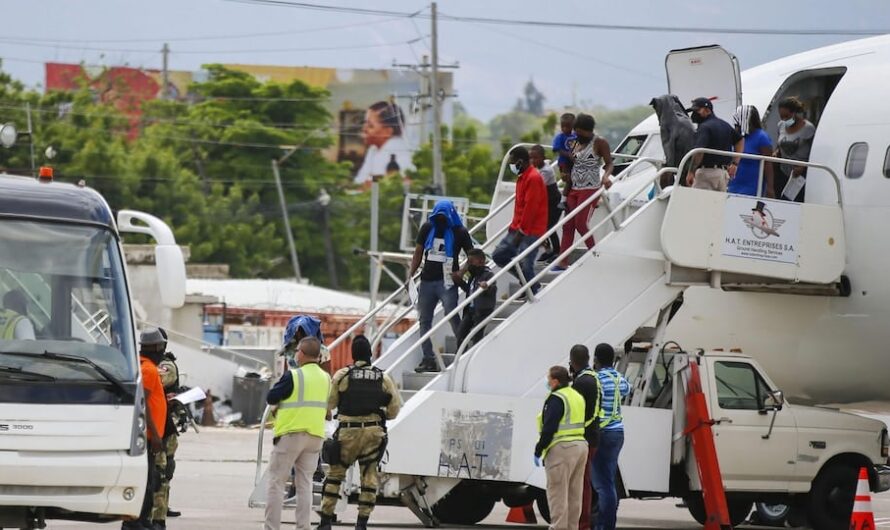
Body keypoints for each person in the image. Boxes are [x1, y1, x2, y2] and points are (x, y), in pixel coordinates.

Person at [317, 336, 401, 530]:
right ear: (370, 354)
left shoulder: (343, 375)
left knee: (335, 476)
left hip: (348, 433)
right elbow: (394, 409)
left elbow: (330, 404)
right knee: (369, 478)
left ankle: (325, 522)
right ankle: (361, 524)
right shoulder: (383, 377)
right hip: (373, 433)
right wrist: (380, 417)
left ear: (353, 355)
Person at [264, 336, 332, 530]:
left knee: (276, 483)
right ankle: (303, 527)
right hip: (315, 437)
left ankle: (271, 527)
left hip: (291, 434)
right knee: (305, 484)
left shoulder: (293, 375)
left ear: (301, 353)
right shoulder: (326, 378)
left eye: (297, 352)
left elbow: (272, 397)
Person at [410, 200, 474, 373]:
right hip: (427, 281)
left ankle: (463, 346)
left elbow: (473, 255)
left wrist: (461, 272)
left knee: (451, 313)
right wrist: (410, 275)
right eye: (437, 217)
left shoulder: (459, 231)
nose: (440, 221)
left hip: (447, 281)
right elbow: (418, 252)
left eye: (443, 217)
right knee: (424, 320)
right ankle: (428, 358)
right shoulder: (427, 228)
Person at [554, 114, 613, 271]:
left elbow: (609, 164)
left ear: (589, 131)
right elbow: (572, 162)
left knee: (581, 223)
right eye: (576, 131)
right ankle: (562, 261)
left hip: (590, 188)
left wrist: (606, 177)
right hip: (573, 187)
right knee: (568, 225)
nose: (577, 135)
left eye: (580, 132)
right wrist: (565, 173)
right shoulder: (575, 142)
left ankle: (595, 255)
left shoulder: (599, 142)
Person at [122, 328, 167, 530]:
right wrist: (156, 435)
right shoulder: (148, 369)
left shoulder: (139, 365)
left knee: (147, 479)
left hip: (145, 434)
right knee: (148, 481)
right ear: (157, 347)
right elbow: (144, 403)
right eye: (161, 347)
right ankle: (136, 522)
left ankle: (139, 521)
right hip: (149, 436)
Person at [534, 366, 588, 530]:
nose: (547, 381)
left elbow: (549, 427)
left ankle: (558, 528)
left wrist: (539, 449)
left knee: (557, 493)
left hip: (562, 448)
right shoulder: (576, 396)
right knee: (574, 495)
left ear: (555, 381)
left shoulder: (557, 398)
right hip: (580, 446)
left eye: (548, 378)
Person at [492, 145, 548, 294]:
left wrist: (521, 232)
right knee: (499, 255)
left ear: (520, 162)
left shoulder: (533, 178)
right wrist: (515, 228)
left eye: (513, 162)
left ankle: (533, 289)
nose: (512, 165)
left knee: (525, 264)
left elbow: (531, 208)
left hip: (530, 230)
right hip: (517, 227)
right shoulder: (522, 177)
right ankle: (527, 283)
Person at [591, 343, 630, 530]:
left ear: (596, 359)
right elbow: (627, 389)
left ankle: (605, 525)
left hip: (603, 433)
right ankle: (608, 522)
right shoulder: (619, 379)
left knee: (603, 485)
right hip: (618, 432)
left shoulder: (597, 379)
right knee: (609, 480)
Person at [569, 345, 603, 530]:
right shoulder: (594, 378)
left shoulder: (581, 383)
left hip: (584, 437)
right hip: (594, 435)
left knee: (580, 484)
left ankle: (582, 523)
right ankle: (584, 521)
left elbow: (576, 412)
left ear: (572, 361)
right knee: (585, 482)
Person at [151, 328, 183, 528]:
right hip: (153, 423)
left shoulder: (165, 364)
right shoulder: (149, 364)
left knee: (164, 469)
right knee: (156, 471)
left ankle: (161, 508)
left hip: (166, 425)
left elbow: (158, 381)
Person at [684, 97, 744, 191]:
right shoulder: (725, 125)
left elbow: (699, 152)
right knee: (717, 204)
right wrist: (735, 163)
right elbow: (740, 141)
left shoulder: (704, 127)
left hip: (706, 174)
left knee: (698, 204)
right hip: (723, 175)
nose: (694, 114)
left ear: (708, 110)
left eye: (697, 110)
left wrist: (691, 171)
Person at [354, 101, 415, 186]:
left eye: (370, 126)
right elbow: (360, 181)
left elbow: (381, 185)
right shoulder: (374, 149)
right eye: (365, 124)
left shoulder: (399, 150)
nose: (364, 129)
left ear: (387, 132)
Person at [774, 96, 816, 202]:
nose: (784, 120)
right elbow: (779, 144)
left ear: (794, 113)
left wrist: (804, 166)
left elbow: (814, 152)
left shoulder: (808, 128)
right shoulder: (781, 126)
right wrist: (776, 152)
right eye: (781, 117)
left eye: (787, 116)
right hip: (783, 171)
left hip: (799, 174)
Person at [454, 249, 497, 350]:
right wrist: (460, 277)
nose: (470, 264)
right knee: (460, 333)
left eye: (472, 262)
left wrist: (487, 287)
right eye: (469, 262)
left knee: (477, 335)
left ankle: (473, 357)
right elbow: (469, 290)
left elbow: (492, 288)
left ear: (481, 261)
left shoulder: (488, 274)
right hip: (470, 310)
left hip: (482, 310)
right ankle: (461, 356)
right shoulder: (473, 276)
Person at [728, 105, 775, 198]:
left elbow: (768, 164)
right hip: (733, 184)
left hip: (752, 186)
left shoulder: (762, 137)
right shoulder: (737, 136)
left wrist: (770, 188)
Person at [530, 144, 561, 263]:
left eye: (536, 158)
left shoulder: (546, 171)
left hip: (554, 203)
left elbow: (537, 186)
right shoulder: (541, 167)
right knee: (541, 228)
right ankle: (549, 251)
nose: (533, 161)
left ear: (542, 157)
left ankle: (557, 251)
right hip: (546, 204)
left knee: (549, 228)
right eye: (531, 158)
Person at [552, 113, 576, 208]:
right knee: (569, 180)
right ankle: (563, 200)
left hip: (573, 161)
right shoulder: (560, 137)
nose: (565, 128)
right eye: (563, 126)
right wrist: (568, 154)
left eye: (568, 126)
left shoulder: (575, 136)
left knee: (577, 179)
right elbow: (557, 149)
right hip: (564, 162)